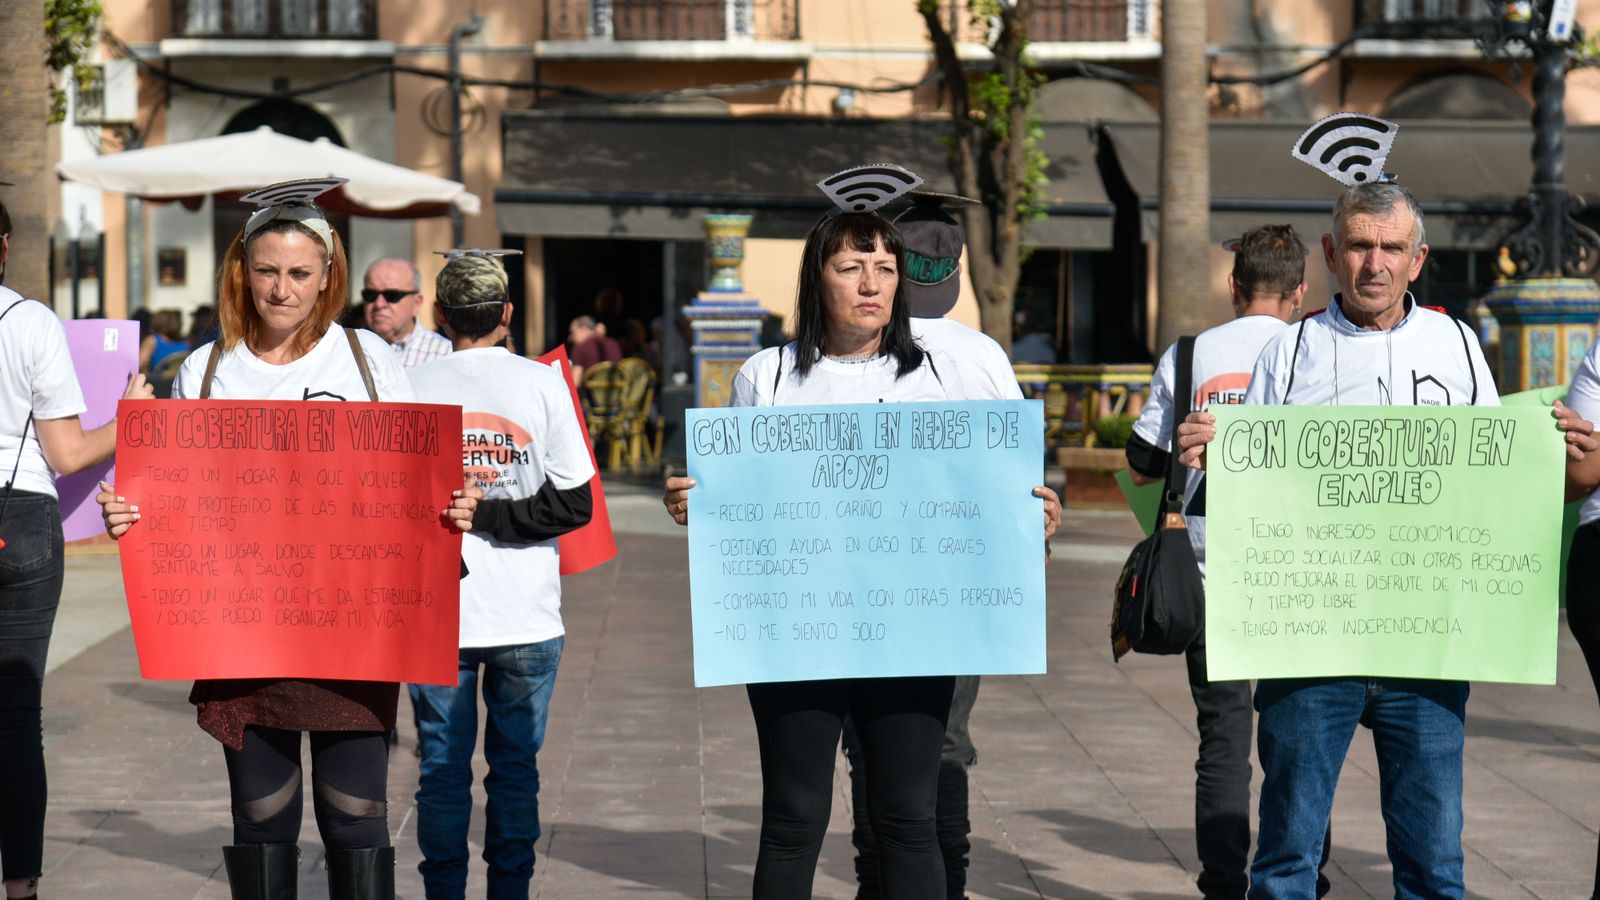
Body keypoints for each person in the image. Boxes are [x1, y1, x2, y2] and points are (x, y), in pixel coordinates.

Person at [1175, 181, 1593, 899]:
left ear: (1418, 258)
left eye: (1392, 248)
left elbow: (1495, 479)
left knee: (1434, 864)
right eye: (1361, 246)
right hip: (1310, 643)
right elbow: (1239, 495)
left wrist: (1564, 458)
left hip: (1425, 645)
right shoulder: (1290, 350)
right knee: (1285, 862)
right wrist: (1208, 457)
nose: (1376, 263)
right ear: (1333, 255)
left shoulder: (1459, 345)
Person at [95, 180, 481, 900]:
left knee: (356, 818)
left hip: (352, 632)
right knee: (260, 820)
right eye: (267, 270)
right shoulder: (205, 371)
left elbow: (410, 483)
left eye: (300, 273)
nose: (282, 289)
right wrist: (132, 518)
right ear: (242, 271)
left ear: (328, 276)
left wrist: (450, 506)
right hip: (244, 637)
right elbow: (178, 506)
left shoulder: (368, 360)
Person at [661, 204, 1061, 899]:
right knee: (793, 817)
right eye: (851, 268)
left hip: (913, 632)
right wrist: (697, 503)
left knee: (907, 817)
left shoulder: (939, 376)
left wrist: (1032, 519)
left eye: (885, 267)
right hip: (797, 630)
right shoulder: (769, 377)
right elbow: (740, 503)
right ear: (817, 280)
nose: (872, 283)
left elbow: (984, 499)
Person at [839, 192, 1032, 899]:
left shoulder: (835, 354)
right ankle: (945, 881)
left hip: (853, 589)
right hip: (951, 592)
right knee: (943, 743)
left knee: (865, 746)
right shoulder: (981, 357)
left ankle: (875, 880)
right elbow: (1017, 479)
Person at [1126, 224, 1311, 900]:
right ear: (1301, 291)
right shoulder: (1313, 349)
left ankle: (1222, 884)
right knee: (1300, 737)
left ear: (1234, 287)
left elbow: (1143, 463)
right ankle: (1300, 875)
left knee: (1223, 738)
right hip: (1300, 569)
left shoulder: (1189, 354)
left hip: (1207, 570)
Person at [406, 250, 595, 899]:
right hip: (526, 614)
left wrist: (473, 511)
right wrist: (497, 513)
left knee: (441, 770)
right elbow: (575, 503)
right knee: (516, 771)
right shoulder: (542, 383)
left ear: (437, 313)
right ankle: (510, 892)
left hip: (435, 611)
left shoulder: (411, 384)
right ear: (508, 315)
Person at [0, 193, 152, 900]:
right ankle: (22, 887)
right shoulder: (28, 322)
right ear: (4, 246)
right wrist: (133, 416)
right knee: (14, 714)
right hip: (17, 518)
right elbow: (66, 453)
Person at [362, 257, 451, 367]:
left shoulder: (444, 354)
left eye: (392, 296)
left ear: (417, 303)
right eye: (371, 295)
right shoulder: (346, 349)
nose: (379, 304)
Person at [567, 314, 620, 383]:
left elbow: (575, 382)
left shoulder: (580, 348)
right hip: (617, 390)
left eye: (573, 332)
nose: (571, 337)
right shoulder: (613, 343)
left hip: (591, 391)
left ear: (582, 328)